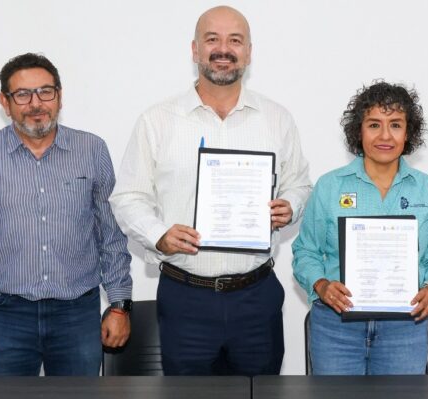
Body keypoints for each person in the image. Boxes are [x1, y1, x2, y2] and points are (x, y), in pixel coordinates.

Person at [109, 5, 311, 376]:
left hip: (256, 297)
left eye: (235, 40)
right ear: (195, 49)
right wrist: (159, 235)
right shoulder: (157, 121)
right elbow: (128, 197)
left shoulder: (277, 119)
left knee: (260, 395)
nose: (223, 49)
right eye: (212, 39)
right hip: (185, 298)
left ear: (248, 52)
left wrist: (291, 204)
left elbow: (298, 183)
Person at [0, 53, 133, 376]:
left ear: (59, 96)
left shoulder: (92, 150)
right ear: (5, 102)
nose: (36, 103)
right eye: (22, 94)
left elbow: (111, 235)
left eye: (45, 92)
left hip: (76, 314)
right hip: (3, 316)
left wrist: (119, 305)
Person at [292, 82, 428, 375]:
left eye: (396, 125)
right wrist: (321, 285)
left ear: (408, 133)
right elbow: (305, 252)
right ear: (359, 131)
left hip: (404, 329)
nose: (385, 135)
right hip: (335, 327)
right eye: (374, 124)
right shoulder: (329, 186)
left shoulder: (427, 189)